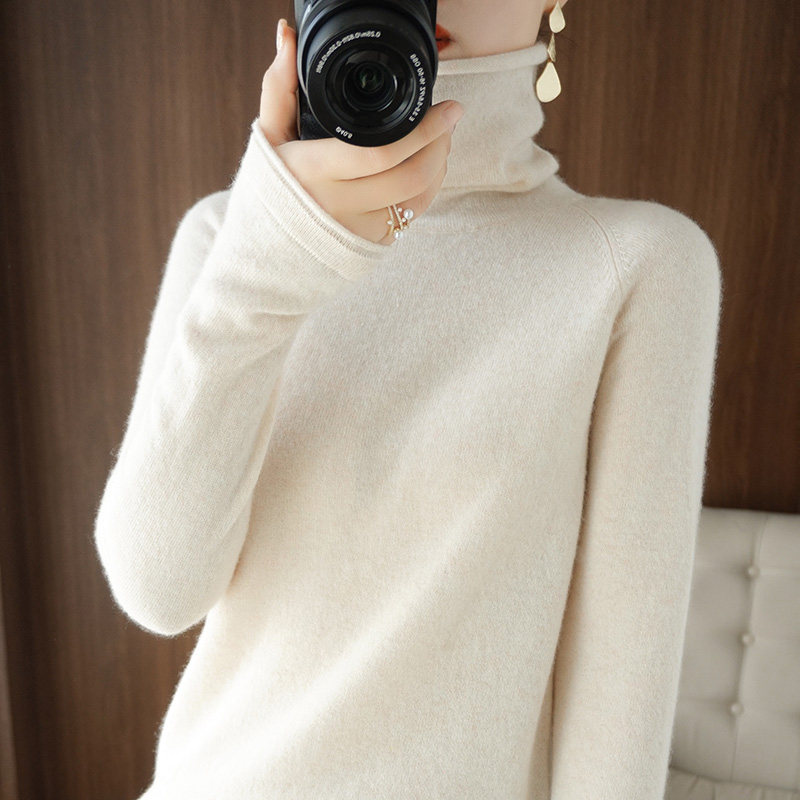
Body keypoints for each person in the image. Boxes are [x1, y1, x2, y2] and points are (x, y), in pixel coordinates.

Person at [93, 1, 723, 798]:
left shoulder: (637, 267)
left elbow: (619, 712)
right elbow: (157, 591)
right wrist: (263, 266)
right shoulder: (230, 239)